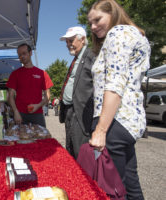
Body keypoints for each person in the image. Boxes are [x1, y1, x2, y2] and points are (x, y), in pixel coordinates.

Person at [88, 0, 151, 199]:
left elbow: (114, 84)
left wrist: (101, 129)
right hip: (127, 122)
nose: (93, 26)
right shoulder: (134, 34)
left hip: (115, 121)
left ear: (113, 13)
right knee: (130, 185)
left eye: (98, 19)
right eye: (90, 23)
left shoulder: (118, 34)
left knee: (112, 190)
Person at [59, 26, 96, 158]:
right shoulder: (76, 59)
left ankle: (83, 177)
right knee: (70, 146)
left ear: (83, 39)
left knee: (80, 151)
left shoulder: (91, 56)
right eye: (67, 42)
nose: (68, 44)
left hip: (80, 112)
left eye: (71, 40)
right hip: (70, 110)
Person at [6, 43, 53, 127]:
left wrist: (38, 106)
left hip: (37, 114)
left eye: (24, 53)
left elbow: (48, 96)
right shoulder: (15, 74)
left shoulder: (42, 73)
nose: (22, 56)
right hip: (20, 115)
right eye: (19, 55)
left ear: (30, 53)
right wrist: (15, 112)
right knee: (20, 138)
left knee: (41, 139)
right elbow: (10, 96)